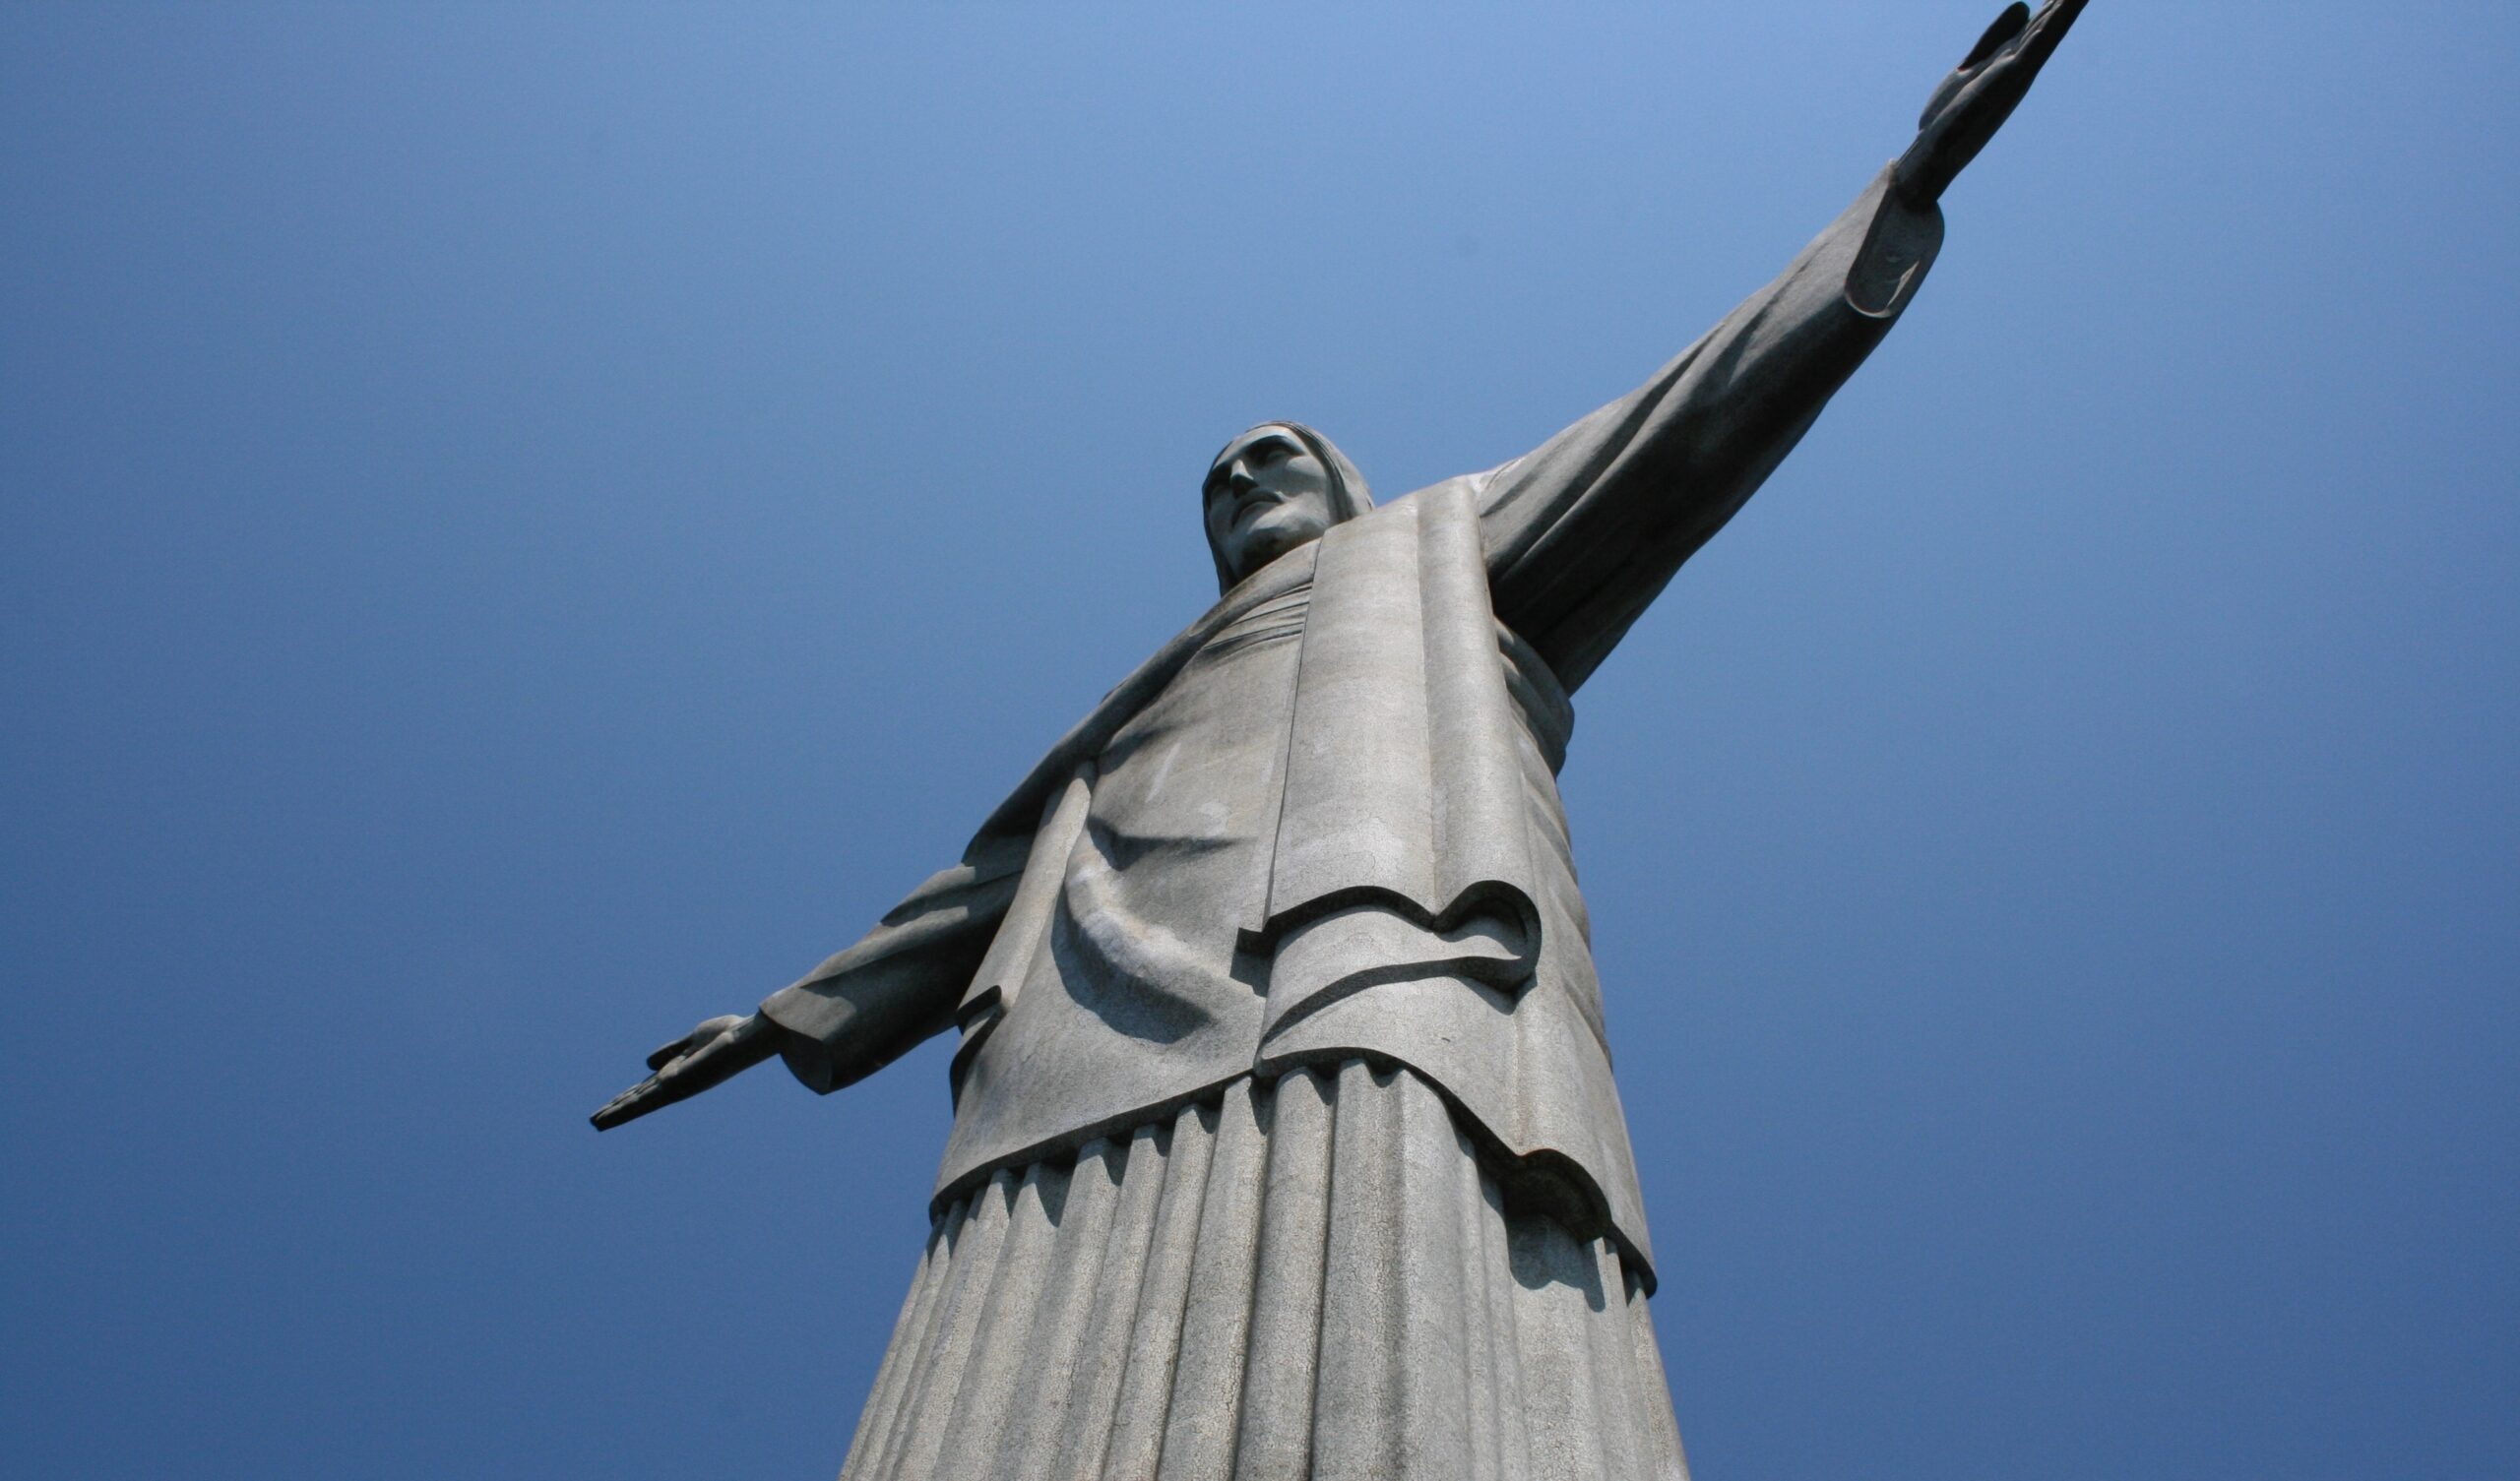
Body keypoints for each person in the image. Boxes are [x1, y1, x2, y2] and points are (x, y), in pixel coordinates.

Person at [595, 6, 2090, 1478]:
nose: (1245, 477)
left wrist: (1899, 194)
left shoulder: (1437, 551)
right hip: (1077, 1033)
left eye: (1278, 454)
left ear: (1343, 482)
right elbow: (978, 890)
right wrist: (784, 1018)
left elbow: (1679, 429)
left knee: (1381, 1280)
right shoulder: (1129, 711)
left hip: (1367, 945)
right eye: (1220, 477)